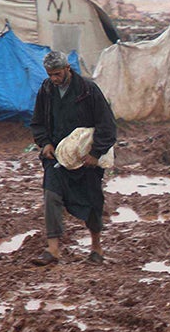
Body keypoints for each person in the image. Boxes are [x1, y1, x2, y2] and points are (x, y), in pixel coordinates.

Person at [29, 51, 117, 265]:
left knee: (93, 200)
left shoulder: (88, 90)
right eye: (50, 74)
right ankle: (53, 251)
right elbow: (38, 121)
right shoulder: (47, 89)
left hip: (85, 159)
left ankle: (96, 247)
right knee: (51, 196)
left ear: (68, 68)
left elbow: (107, 125)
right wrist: (45, 143)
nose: (54, 79)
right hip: (57, 156)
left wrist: (95, 154)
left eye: (57, 74)